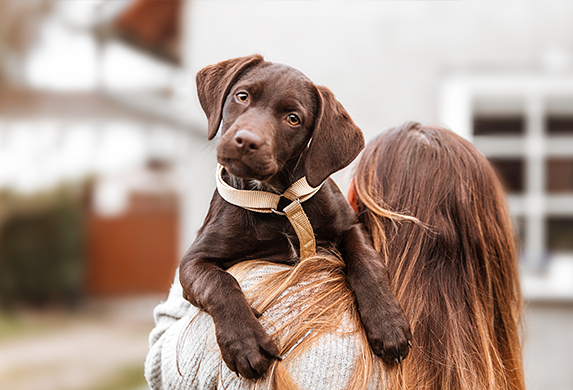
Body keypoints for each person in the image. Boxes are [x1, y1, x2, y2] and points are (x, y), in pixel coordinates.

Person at [145, 122, 526, 390]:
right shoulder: (484, 364)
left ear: (356, 201)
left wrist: (205, 250)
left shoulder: (274, 307)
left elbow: (163, 366)